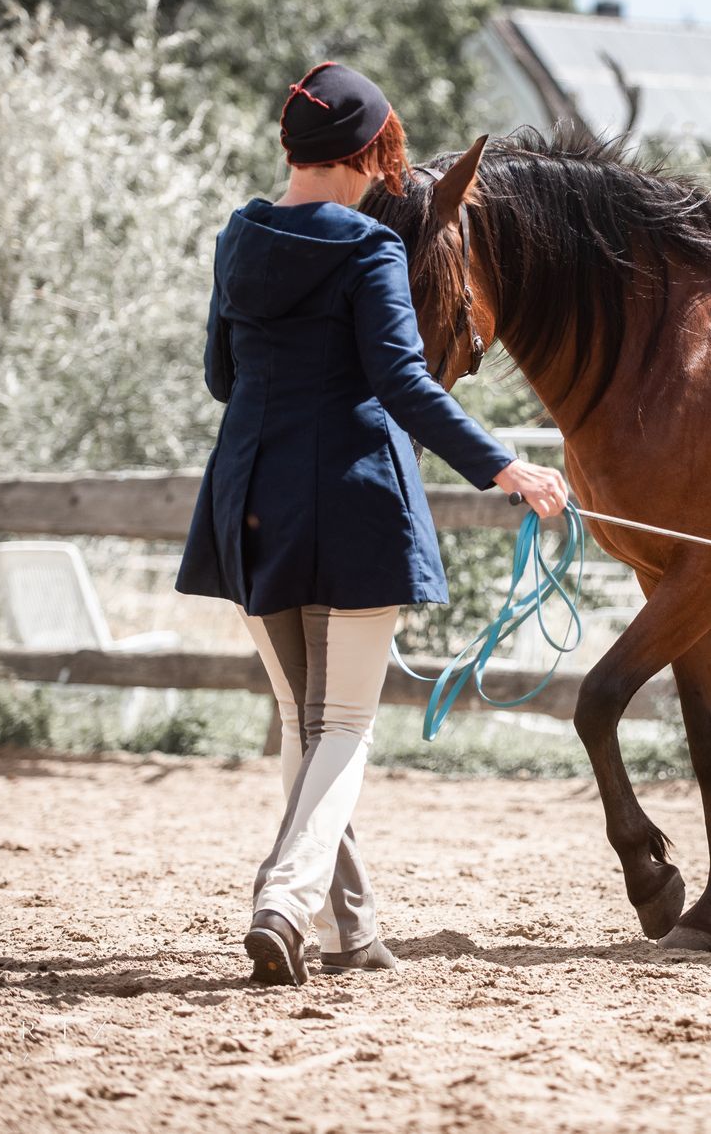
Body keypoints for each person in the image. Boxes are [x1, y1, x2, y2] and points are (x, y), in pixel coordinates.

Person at [175, 62, 568, 985]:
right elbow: (403, 382)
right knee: (344, 724)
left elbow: (221, 378)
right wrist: (503, 465)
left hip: (248, 497)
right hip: (352, 499)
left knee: (300, 724)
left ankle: (350, 931)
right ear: (370, 153)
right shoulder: (367, 249)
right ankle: (284, 899)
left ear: (291, 149)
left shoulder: (238, 235)